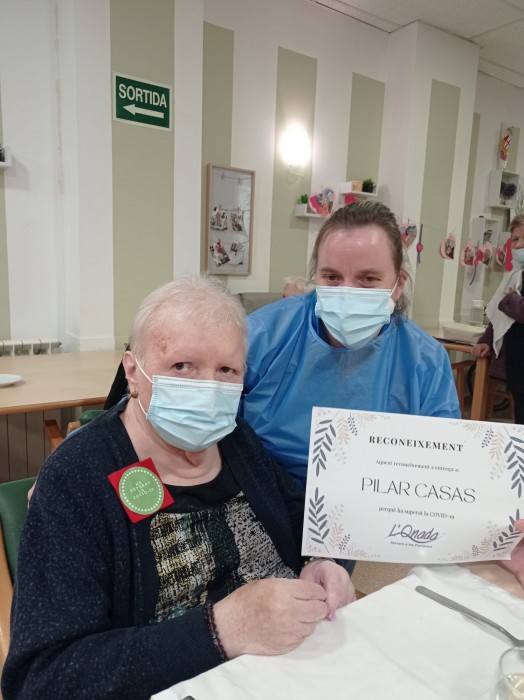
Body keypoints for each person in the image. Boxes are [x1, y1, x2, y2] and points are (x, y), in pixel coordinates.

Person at [2, 277, 354, 700]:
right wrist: (224, 628)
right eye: (182, 366)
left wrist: (323, 558)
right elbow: (42, 680)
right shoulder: (79, 477)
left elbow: (299, 513)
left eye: (226, 370)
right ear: (133, 370)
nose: (208, 389)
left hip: (294, 670)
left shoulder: (236, 440)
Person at [241, 200, 461, 487]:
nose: (346, 292)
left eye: (368, 278)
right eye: (331, 277)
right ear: (316, 277)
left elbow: (443, 463)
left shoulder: (426, 360)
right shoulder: (262, 334)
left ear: (398, 285)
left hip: (378, 501)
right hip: (266, 492)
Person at [472, 213, 524, 424]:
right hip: (517, 364)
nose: (519, 245)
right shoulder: (515, 275)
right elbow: (498, 317)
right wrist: (486, 340)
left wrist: (511, 300)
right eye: (515, 239)